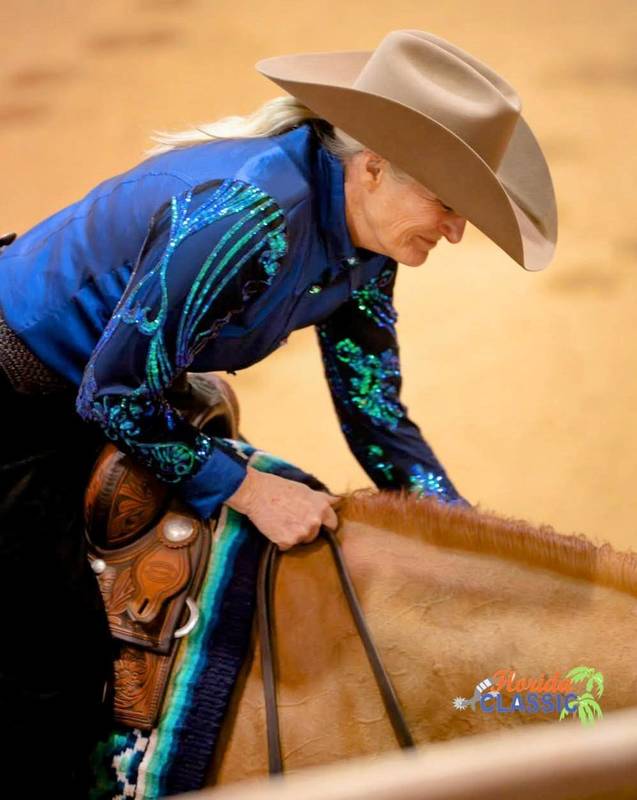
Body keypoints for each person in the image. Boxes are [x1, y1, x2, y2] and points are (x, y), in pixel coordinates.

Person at [0, 29, 557, 795]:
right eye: (448, 204)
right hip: (20, 401)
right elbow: (118, 393)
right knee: (48, 660)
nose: (456, 232)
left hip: (112, 396)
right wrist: (247, 488)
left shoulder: (366, 248)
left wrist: (465, 542)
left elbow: (372, 410)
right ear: (372, 167)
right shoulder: (248, 211)